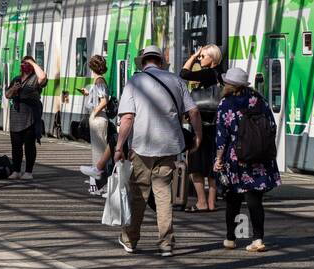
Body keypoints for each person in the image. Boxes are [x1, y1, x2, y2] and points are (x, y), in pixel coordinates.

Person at [114, 46, 201, 257]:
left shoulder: (135, 82)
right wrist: (198, 136)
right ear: (161, 62)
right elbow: (194, 111)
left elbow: (127, 118)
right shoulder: (177, 81)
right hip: (169, 146)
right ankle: (166, 243)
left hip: (143, 147)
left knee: (139, 195)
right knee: (163, 195)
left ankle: (130, 239)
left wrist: (118, 147)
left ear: (143, 62)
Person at [213, 67, 281, 252]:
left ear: (229, 85)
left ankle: (230, 238)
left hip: (236, 158)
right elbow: (271, 127)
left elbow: (221, 135)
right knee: (254, 200)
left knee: (233, 199)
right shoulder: (261, 101)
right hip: (259, 157)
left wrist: (219, 158)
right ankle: (258, 239)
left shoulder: (226, 103)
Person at [181, 45, 223, 212]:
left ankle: (201, 202)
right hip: (215, 127)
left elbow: (183, 73)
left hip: (202, 126)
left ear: (212, 58)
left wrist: (193, 55)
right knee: (213, 166)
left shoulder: (208, 73)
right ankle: (211, 202)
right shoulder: (220, 73)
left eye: (203, 56)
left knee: (196, 166)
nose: (199, 59)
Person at [5, 55, 46, 181]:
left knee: (29, 145)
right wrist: (13, 89)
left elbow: (43, 77)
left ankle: (28, 171)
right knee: (16, 146)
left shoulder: (35, 78)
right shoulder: (16, 79)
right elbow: (7, 95)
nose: (25, 65)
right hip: (16, 116)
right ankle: (16, 170)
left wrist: (33, 63)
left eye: (27, 63)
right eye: (23, 63)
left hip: (30, 116)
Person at [80, 55, 110, 195]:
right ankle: (97, 184)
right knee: (98, 150)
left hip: (98, 119)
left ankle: (100, 185)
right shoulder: (99, 81)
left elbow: (104, 101)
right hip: (99, 118)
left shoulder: (99, 81)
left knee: (99, 151)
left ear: (92, 67)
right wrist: (87, 93)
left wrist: (94, 113)